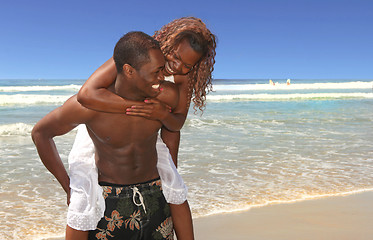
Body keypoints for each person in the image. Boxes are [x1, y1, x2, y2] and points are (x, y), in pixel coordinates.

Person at [70, 17, 217, 240]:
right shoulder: (140, 53)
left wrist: (161, 114)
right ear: (168, 43)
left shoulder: (183, 77)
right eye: (175, 57)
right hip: (105, 124)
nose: (177, 66)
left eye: (187, 65)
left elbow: (177, 123)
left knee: (174, 184)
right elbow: (86, 94)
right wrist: (138, 107)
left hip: (149, 125)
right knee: (83, 190)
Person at [32, 31, 180, 240]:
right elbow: (41, 133)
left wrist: (173, 175)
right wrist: (68, 187)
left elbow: (174, 128)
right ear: (129, 71)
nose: (161, 77)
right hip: (108, 205)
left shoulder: (162, 101)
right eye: (156, 71)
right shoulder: (90, 107)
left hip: (155, 198)